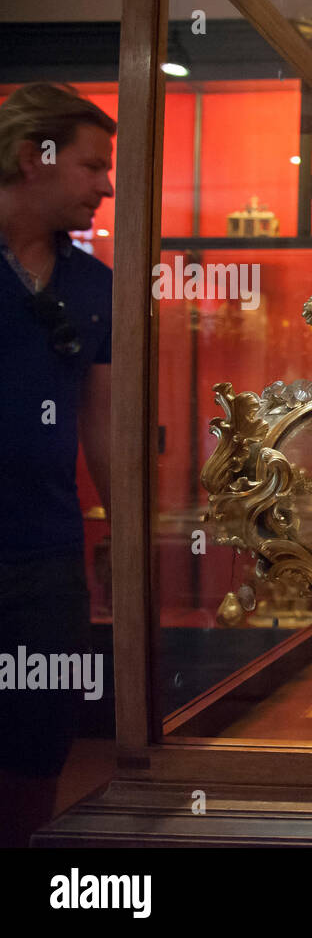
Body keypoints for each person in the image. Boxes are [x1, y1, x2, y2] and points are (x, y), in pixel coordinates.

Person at [0, 83, 115, 847]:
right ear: (29, 158)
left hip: (45, 559)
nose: (107, 185)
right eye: (91, 166)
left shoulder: (94, 284)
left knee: (36, 747)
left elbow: (103, 421)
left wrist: (131, 547)